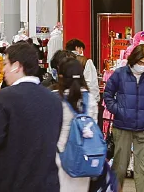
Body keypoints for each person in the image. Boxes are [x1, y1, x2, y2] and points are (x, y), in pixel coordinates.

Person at [0, 42, 63, 192]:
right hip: (47, 182)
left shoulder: (4, 97)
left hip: (12, 181)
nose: (4, 69)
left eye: (6, 63)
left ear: (17, 66)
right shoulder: (53, 100)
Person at [103, 43, 144, 192]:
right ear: (133, 59)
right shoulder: (120, 74)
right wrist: (118, 110)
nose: (143, 66)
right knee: (119, 168)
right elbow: (108, 94)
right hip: (122, 127)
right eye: (141, 62)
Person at [55, 58, 92, 192]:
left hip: (62, 155)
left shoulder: (58, 100)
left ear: (61, 77)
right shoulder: (90, 99)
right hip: (85, 155)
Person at [65, 38, 100, 115]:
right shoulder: (86, 61)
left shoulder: (64, 61)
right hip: (84, 102)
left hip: (67, 102)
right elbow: (91, 84)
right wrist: (94, 101)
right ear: (78, 48)